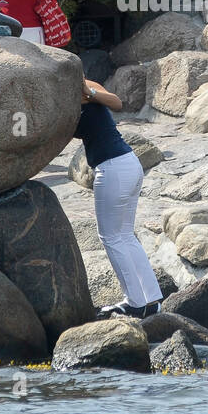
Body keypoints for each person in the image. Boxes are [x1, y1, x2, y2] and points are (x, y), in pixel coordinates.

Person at [76, 78, 163, 319]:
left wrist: (89, 91)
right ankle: (152, 300)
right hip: (128, 164)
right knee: (124, 234)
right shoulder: (65, 98)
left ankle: (135, 302)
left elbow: (117, 102)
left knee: (111, 236)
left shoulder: (84, 88)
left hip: (113, 168)